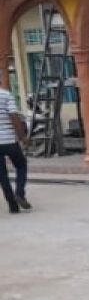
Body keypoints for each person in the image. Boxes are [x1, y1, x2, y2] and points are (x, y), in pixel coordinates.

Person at [0, 86, 30, 214]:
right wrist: (22, 137)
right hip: (9, 141)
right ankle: (20, 193)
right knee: (21, 165)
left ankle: (13, 205)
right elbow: (14, 116)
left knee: (2, 175)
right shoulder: (6, 95)